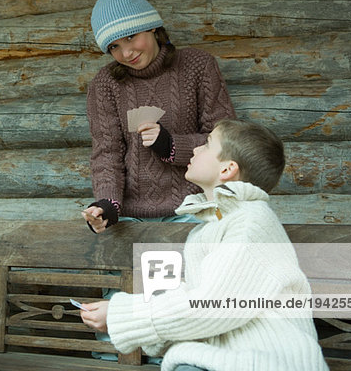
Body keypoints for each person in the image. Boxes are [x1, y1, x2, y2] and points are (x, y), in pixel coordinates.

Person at [80, 119, 328, 371]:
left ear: (227, 169)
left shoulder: (251, 223)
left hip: (267, 359)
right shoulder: (212, 227)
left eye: (207, 144)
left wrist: (121, 314)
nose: (196, 149)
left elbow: (210, 306)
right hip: (221, 356)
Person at [82, 0, 236, 233]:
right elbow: (106, 153)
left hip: (195, 210)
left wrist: (171, 145)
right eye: (114, 47)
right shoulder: (105, 85)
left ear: (152, 26)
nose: (126, 52)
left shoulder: (198, 66)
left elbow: (227, 141)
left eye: (131, 37)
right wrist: (107, 205)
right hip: (132, 219)